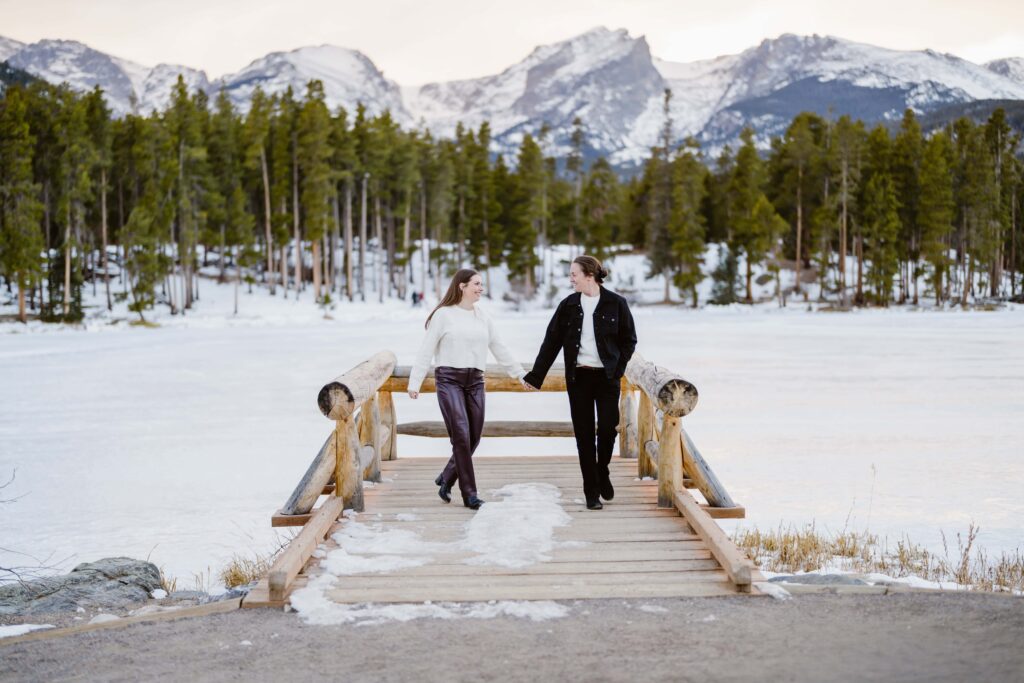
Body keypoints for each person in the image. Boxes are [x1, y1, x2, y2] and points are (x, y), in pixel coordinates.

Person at [408, 269, 532, 509]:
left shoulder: (482, 317)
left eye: (481, 284)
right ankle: (470, 494)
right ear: (462, 286)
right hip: (449, 380)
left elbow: (499, 347)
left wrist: (520, 374)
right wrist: (415, 382)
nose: (480, 288)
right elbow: (426, 350)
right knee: (461, 436)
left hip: (475, 380)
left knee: (474, 436)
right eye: (476, 284)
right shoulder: (443, 315)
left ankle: (446, 477)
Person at [523, 255, 637, 510]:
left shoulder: (616, 304)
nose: (570, 278)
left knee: (608, 429)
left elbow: (629, 340)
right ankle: (591, 492)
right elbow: (551, 342)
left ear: (589, 275)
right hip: (579, 378)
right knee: (584, 435)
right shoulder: (568, 306)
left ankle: (602, 471)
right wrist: (536, 376)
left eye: (573, 274)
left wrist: (617, 369)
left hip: (607, 378)